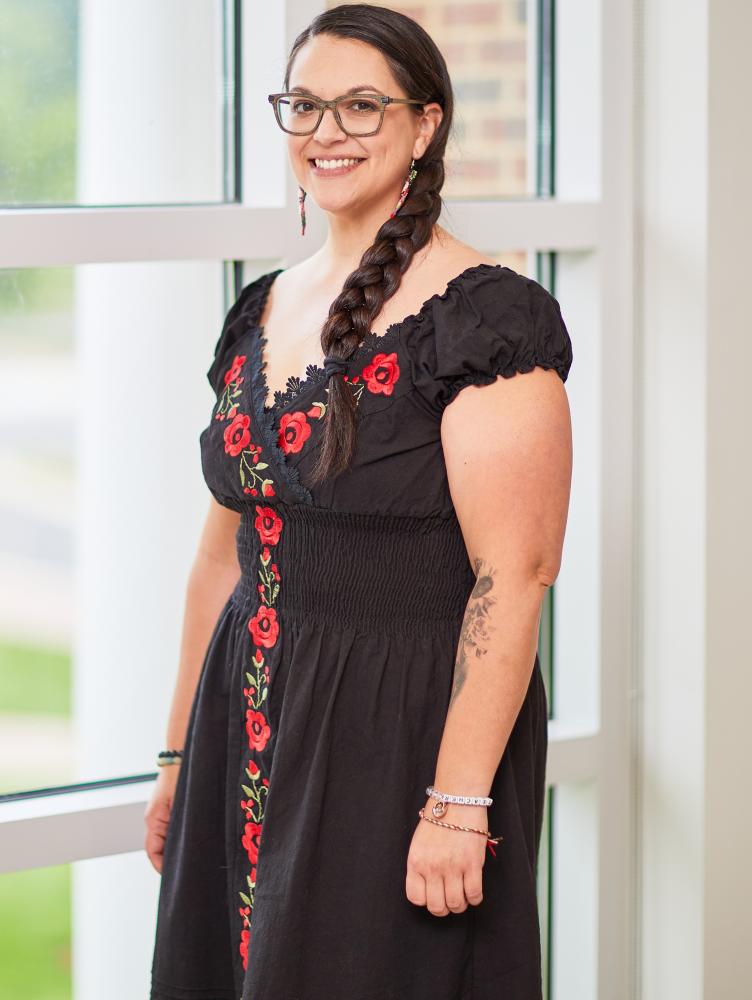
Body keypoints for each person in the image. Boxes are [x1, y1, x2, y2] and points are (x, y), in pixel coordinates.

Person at [145, 5, 573, 999]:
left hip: (401, 733)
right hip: (248, 716)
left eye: (359, 105)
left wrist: (459, 801)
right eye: (303, 104)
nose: (324, 130)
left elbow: (514, 576)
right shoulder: (257, 309)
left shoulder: (486, 318)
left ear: (424, 126)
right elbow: (223, 556)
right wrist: (175, 752)